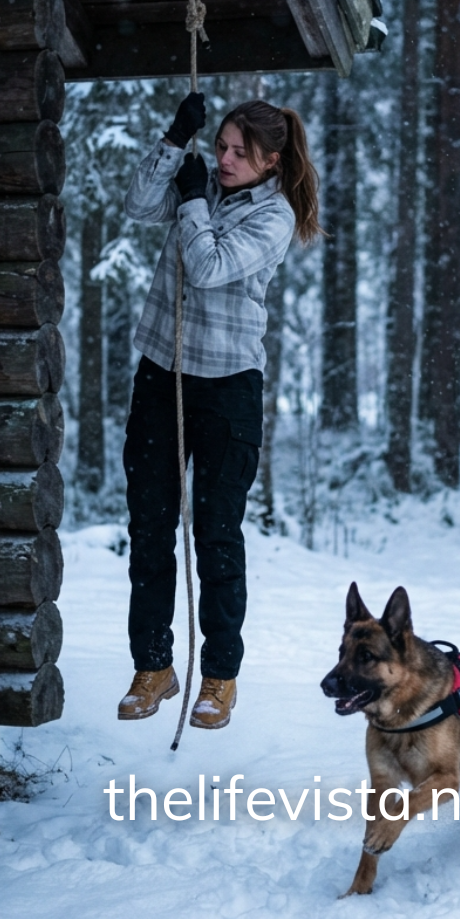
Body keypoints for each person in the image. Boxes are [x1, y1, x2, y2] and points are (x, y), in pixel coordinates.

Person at [118, 94, 320, 729]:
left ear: (271, 160)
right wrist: (176, 140)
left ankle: (219, 677)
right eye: (222, 147)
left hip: (228, 387)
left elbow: (208, 267)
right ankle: (153, 666)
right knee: (150, 526)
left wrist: (193, 201)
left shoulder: (275, 216)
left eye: (241, 153)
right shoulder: (200, 181)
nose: (226, 160)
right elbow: (139, 204)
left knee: (216, 536)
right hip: (162, 374)